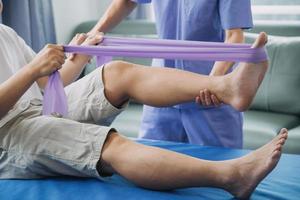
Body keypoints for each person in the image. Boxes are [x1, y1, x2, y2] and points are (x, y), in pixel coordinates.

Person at [0, 2, 290, 197]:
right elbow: (31, 76)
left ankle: (226, 86)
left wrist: (80, 56)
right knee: (107, 143)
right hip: (8, 133)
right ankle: (231, 175)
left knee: (117, 72)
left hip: (36, 109)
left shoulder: (6, 33)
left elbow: (45, 85)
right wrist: (32, 69)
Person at [90, 0, 253, 147]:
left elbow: (234, 36)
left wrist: (213, 83)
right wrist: (93, 33)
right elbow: (126, 2)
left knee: (221, 169)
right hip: (160, 89)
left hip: (208, 94)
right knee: (151, 168)